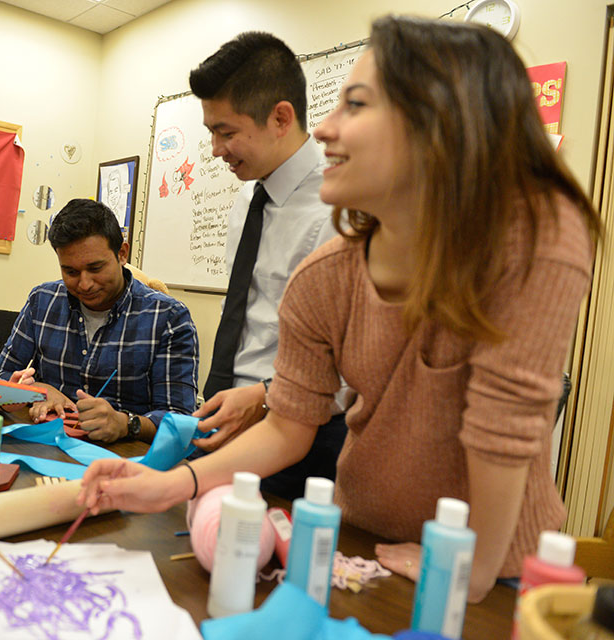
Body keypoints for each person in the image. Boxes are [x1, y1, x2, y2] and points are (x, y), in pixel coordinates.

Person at [79, 15, 601, 604]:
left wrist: (471, 565)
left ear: (439, 120)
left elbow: (502, 426)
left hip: (494, 566)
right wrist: (164, 484)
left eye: (355, 104)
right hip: (359, 542)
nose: (324, 129)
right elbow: (287, 422)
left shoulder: (538, 240)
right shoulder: (325, 276)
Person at [187, 31, 349, 499]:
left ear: (281, 117)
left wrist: (260, 397)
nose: (216, 150)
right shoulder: (246, 197)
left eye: (227, 132)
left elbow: (348, 363)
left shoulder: (337, 210)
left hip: (302, 435)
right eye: (211, 133)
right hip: (228, 420)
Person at [0, 198, 199, 443]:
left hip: (128, 460)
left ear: (122, 253)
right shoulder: (42, 301)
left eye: (96, 268)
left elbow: (181, 422)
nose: (84, 284)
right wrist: (36, 390)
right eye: (70, 272)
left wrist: (126, 423)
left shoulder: (168, 318)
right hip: (48, 446)